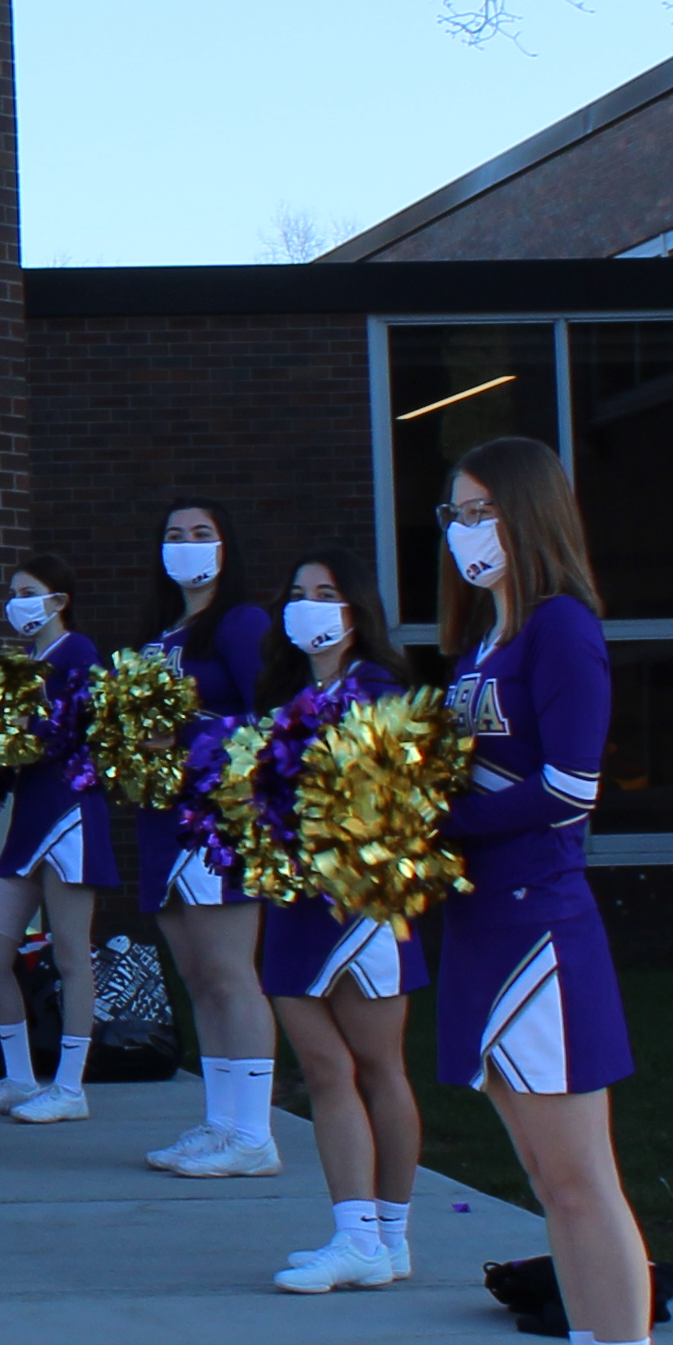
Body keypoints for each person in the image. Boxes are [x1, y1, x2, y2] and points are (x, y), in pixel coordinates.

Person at [431, 436, 663, 1345]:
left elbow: (571, 788)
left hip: (539, 929)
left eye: (479, 508)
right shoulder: (488, 637)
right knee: (547, 1185)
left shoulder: (563, 628)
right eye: (453, 511)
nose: (463, 529)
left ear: (525, 512)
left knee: (580, 1185)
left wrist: (446, 816)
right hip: (485, 922)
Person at [252, 554, 436, 1295]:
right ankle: (364, 1236)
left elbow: (394, 804)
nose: (309, 607)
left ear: (355, 612)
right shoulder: (293, 696)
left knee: (376, 1067)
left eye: (325, 595)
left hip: (355, 904)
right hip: (295, 904)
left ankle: (381, 1237)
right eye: (297, 594)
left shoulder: (381, 694)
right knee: (326, 1068)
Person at [0, 555, 121, 1129]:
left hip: (71, 815)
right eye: (13, 592)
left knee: (71, 953)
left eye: (28, 591)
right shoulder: (23, 664)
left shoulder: (79, 653)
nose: (16, 602)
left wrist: (16, 730)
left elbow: (75, 729)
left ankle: (71, 1086)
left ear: (57, 600)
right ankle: (19, 1076)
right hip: (29, 821)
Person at [134, 501, 281, 1177]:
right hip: (162, 819)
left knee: (230, 973)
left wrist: (189, 735)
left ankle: (255, 1134)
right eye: (174, 536)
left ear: (225, 547)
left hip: (219, 821)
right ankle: (222, 1121)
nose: (186, 546)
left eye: (201, 535)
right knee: (196, 976)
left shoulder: (243, 624)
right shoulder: (160, 632)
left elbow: (273, 721)